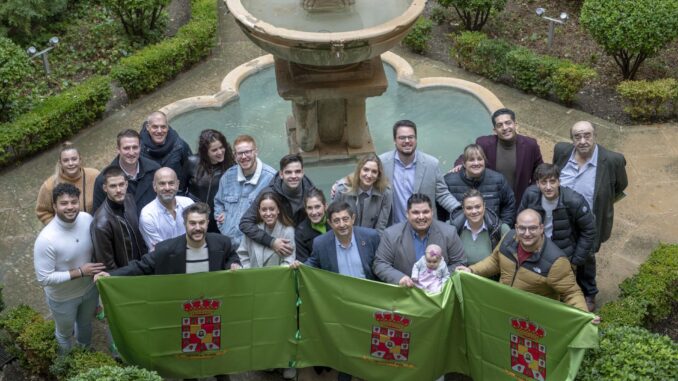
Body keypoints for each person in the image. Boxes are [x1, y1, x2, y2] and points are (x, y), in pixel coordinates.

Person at [95, 202, 236, 381]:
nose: (197, 228)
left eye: (201, 222)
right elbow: (141, 266)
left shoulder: (222, 242)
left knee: (216, 348)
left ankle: (221, 375)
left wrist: (233, 263)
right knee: (187, 350)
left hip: (213, 309)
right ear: (185, 224)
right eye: (193, 223)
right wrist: (110, 275)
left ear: (208, 222)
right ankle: (189, 377)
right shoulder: (166, 249)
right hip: (182, 310)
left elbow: (231, 255)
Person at [292, 200, 380, 381]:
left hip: (369, 302)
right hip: (341, 305)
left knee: (370, 344)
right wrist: (299, 266)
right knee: (346, 346)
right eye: (337, 221)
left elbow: (381, 266)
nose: (342, 224)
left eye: (345, 219)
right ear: (330, 223)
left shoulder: (371, 237)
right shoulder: (321, 243)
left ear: (353, 218)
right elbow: (312, 265)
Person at [553, 121, 628, 310]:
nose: (583, 140)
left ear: (595, 136)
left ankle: (589, 292)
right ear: (572, 139)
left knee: (586, 258)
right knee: (559, 253)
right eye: (577, 136)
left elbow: (620, 187)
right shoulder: (561, 151)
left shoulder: (613, 160)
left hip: (589, 223)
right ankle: (563, 288)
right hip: (561, 218)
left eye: (587, 135)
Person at [456, 209, 589, 311]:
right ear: (516, 227)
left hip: (533, 321)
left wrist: (584, 316)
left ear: (541, 228)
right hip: (504, 309)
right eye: (522, 228)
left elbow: (571, 293)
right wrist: (471, 270)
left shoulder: (555, 261)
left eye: (532, 228)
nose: (526, 233)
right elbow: (494, 261)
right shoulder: (508, 237)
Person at [33, 183, 106, 354]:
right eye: (64, 203)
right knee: (64, 334)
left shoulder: (87, 219)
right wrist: (80, 272)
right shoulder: (46, 239)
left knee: (85, 325)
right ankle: (65, 368)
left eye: (74, 202)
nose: (70, 207)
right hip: (63, 298)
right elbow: (43, 278)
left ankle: (85, 356)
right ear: (54, 206)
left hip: (89, 290)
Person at [453, 108, 543, 205]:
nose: (504, 128)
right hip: (490, 201)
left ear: (515, 124)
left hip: (519, 201)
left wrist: (532, 191)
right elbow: (465, 157)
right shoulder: (484, 143)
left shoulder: (530, 145)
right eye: (499, 125)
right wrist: (459, 165)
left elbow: (540, 170)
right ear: (495, 130)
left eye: (508, 123)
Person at [373, 193, 466, 286]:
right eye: (416, 212)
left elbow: (460, 262)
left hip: (440, 292)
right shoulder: (391, 234)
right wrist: (399, 278)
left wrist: (438, 277)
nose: (421, 217)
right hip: (404, 293)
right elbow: (380, 264)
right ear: (407, 214)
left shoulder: (449, 232)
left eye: (425, 212)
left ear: (432, 212)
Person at [379, 120, 460, 224]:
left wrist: (460, 211)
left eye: (411, 137)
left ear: (416, 139)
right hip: (393, 229)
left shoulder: (431, 164)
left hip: (424, 227)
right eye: (402, 138)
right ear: (395, 140)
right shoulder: (382, 163)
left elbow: (442, 194)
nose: (407, 141)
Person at [239, 153, 316, 258]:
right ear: (281, 174)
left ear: (303, 173)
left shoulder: (311, 192)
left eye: (297, 172)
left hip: (305, 249)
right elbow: (245, 223)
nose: (293, 176)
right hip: (278, 250)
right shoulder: (269, 193)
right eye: (288, 172)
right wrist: (271, 242)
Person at [213, 135, 277, 248]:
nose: (243, 157)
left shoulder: (270, 178)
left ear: (255, 152)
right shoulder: (228, 176)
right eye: (239, 153)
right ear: (234, 155)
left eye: (247, 152)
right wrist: (223, 223)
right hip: (230, 244)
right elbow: (218, 203)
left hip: (256, 244)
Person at [91, 166, 148, 270]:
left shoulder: (129, 199)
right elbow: (107, 264)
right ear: (105, 188)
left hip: (142, 267)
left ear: (126, 184)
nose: (118, 190)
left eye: (121, 185)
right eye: (113, 186)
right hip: (125, 277)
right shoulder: (100, 223)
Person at [445, 144, 516, 226]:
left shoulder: (498, 180)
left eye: (480, 159)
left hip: (491, 234)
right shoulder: (449, 181)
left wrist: (503, 227)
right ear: (464, 163)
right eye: (471, 160)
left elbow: (509, 204)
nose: (476, 163)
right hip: (457, 235)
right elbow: (440, 211)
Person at [92, 129, 160, 213]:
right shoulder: (102, 180)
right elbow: (98, 215)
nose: (131, 153)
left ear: (140, 147)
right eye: (126, 148)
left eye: (135, 147)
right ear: (118, 149)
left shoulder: (155, 170)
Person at [182, 129, 236, 233]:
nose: (220, 152)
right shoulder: (191, 162)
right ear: (205, 152)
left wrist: (228, 211)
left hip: (218, 218)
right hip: (194, 216)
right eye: (214, 150)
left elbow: (236, 193)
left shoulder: (231, 165)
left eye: (221, 147)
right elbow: (180, 190)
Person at [36, 142, 100, 224]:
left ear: (80, 159)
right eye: (66, 160)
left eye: (74, 159)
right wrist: (60, 228)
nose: (70, 163)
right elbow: (42, 212)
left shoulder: (94, 175)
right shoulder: (49, 185)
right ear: (60, 163)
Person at [332, 153, 393, 234]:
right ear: (359, 170)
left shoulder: (385, 194)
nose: (369, 175)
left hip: (371, 240)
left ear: (379, 175)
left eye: (374, 171)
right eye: (366, 169)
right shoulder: (342, 190)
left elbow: (381, 227)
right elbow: (334, 219)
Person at [234, 191, 296, 269]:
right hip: (253, 278)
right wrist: (249, 272)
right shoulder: (252, 230)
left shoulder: (287, 231)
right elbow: (243, 255)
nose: (268, 213)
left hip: (278, 278)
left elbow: (288, 260)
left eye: (272, 209)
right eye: (264, 210)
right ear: (259, 211)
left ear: (278, 210)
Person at [139, 167, 195, 251]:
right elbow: (160, 251)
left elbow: (197, 236)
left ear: (177, 184)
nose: (167, 188)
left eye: (171, 183)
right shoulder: (148, 215)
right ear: (154, 186)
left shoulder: (189, 204)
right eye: (162, 184)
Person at [450, 189, 510, 266]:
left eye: (478, 207)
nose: (474, 211)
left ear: (484, 206)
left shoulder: (500, 229)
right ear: (463, 209)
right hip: (459, 275)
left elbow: (510, 262)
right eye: (469, 208)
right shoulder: (451, 228)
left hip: (490, 277)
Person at [139, 111, 192, 182]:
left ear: (168, 127)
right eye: (155, 127)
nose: (159, 131)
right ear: (148, 127)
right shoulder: (138, 149)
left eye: (163, 127)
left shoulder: (180, 145)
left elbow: (191, 170)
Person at [295, 189, 331, 263]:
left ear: (325, 206)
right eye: (309, 208)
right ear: (305, 209)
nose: (314, 212)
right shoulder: (301, 232)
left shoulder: (335, 222)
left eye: (317, 207)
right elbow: (304, 263)